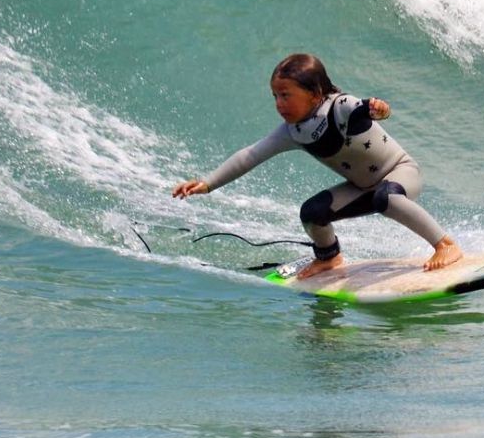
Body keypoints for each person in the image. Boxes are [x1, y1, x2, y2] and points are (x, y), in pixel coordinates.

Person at [172, 53, 463, 279]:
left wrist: (379, 109)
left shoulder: (340, 107)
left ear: (314, 92)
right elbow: (250, 155)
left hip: (401, 173)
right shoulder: (293, 131)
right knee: (312, 213)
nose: (278, 103)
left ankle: (445, 244)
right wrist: (208, 183)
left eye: (286, 95)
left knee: (385, 197)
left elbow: (368, 109)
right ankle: (329, 257)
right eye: (275, 96)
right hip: (363, 187)